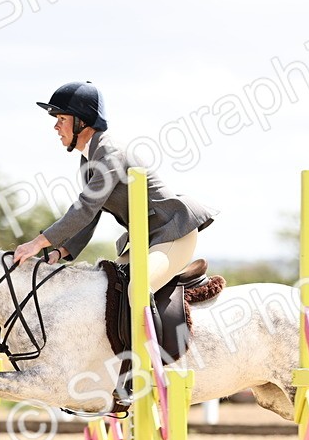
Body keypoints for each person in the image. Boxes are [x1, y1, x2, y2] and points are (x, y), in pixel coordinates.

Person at [12, 81, 217, 291]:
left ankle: (177, 326)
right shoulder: (88, 158)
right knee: (108, 290)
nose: (56, 126)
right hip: (146, 239)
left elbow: (85, 209)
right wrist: (60, 251)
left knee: (136, 291)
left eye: (62, 119)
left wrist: (37, 243)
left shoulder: (110, 153)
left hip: (172, 231)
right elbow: (92, 215)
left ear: (81, 122)